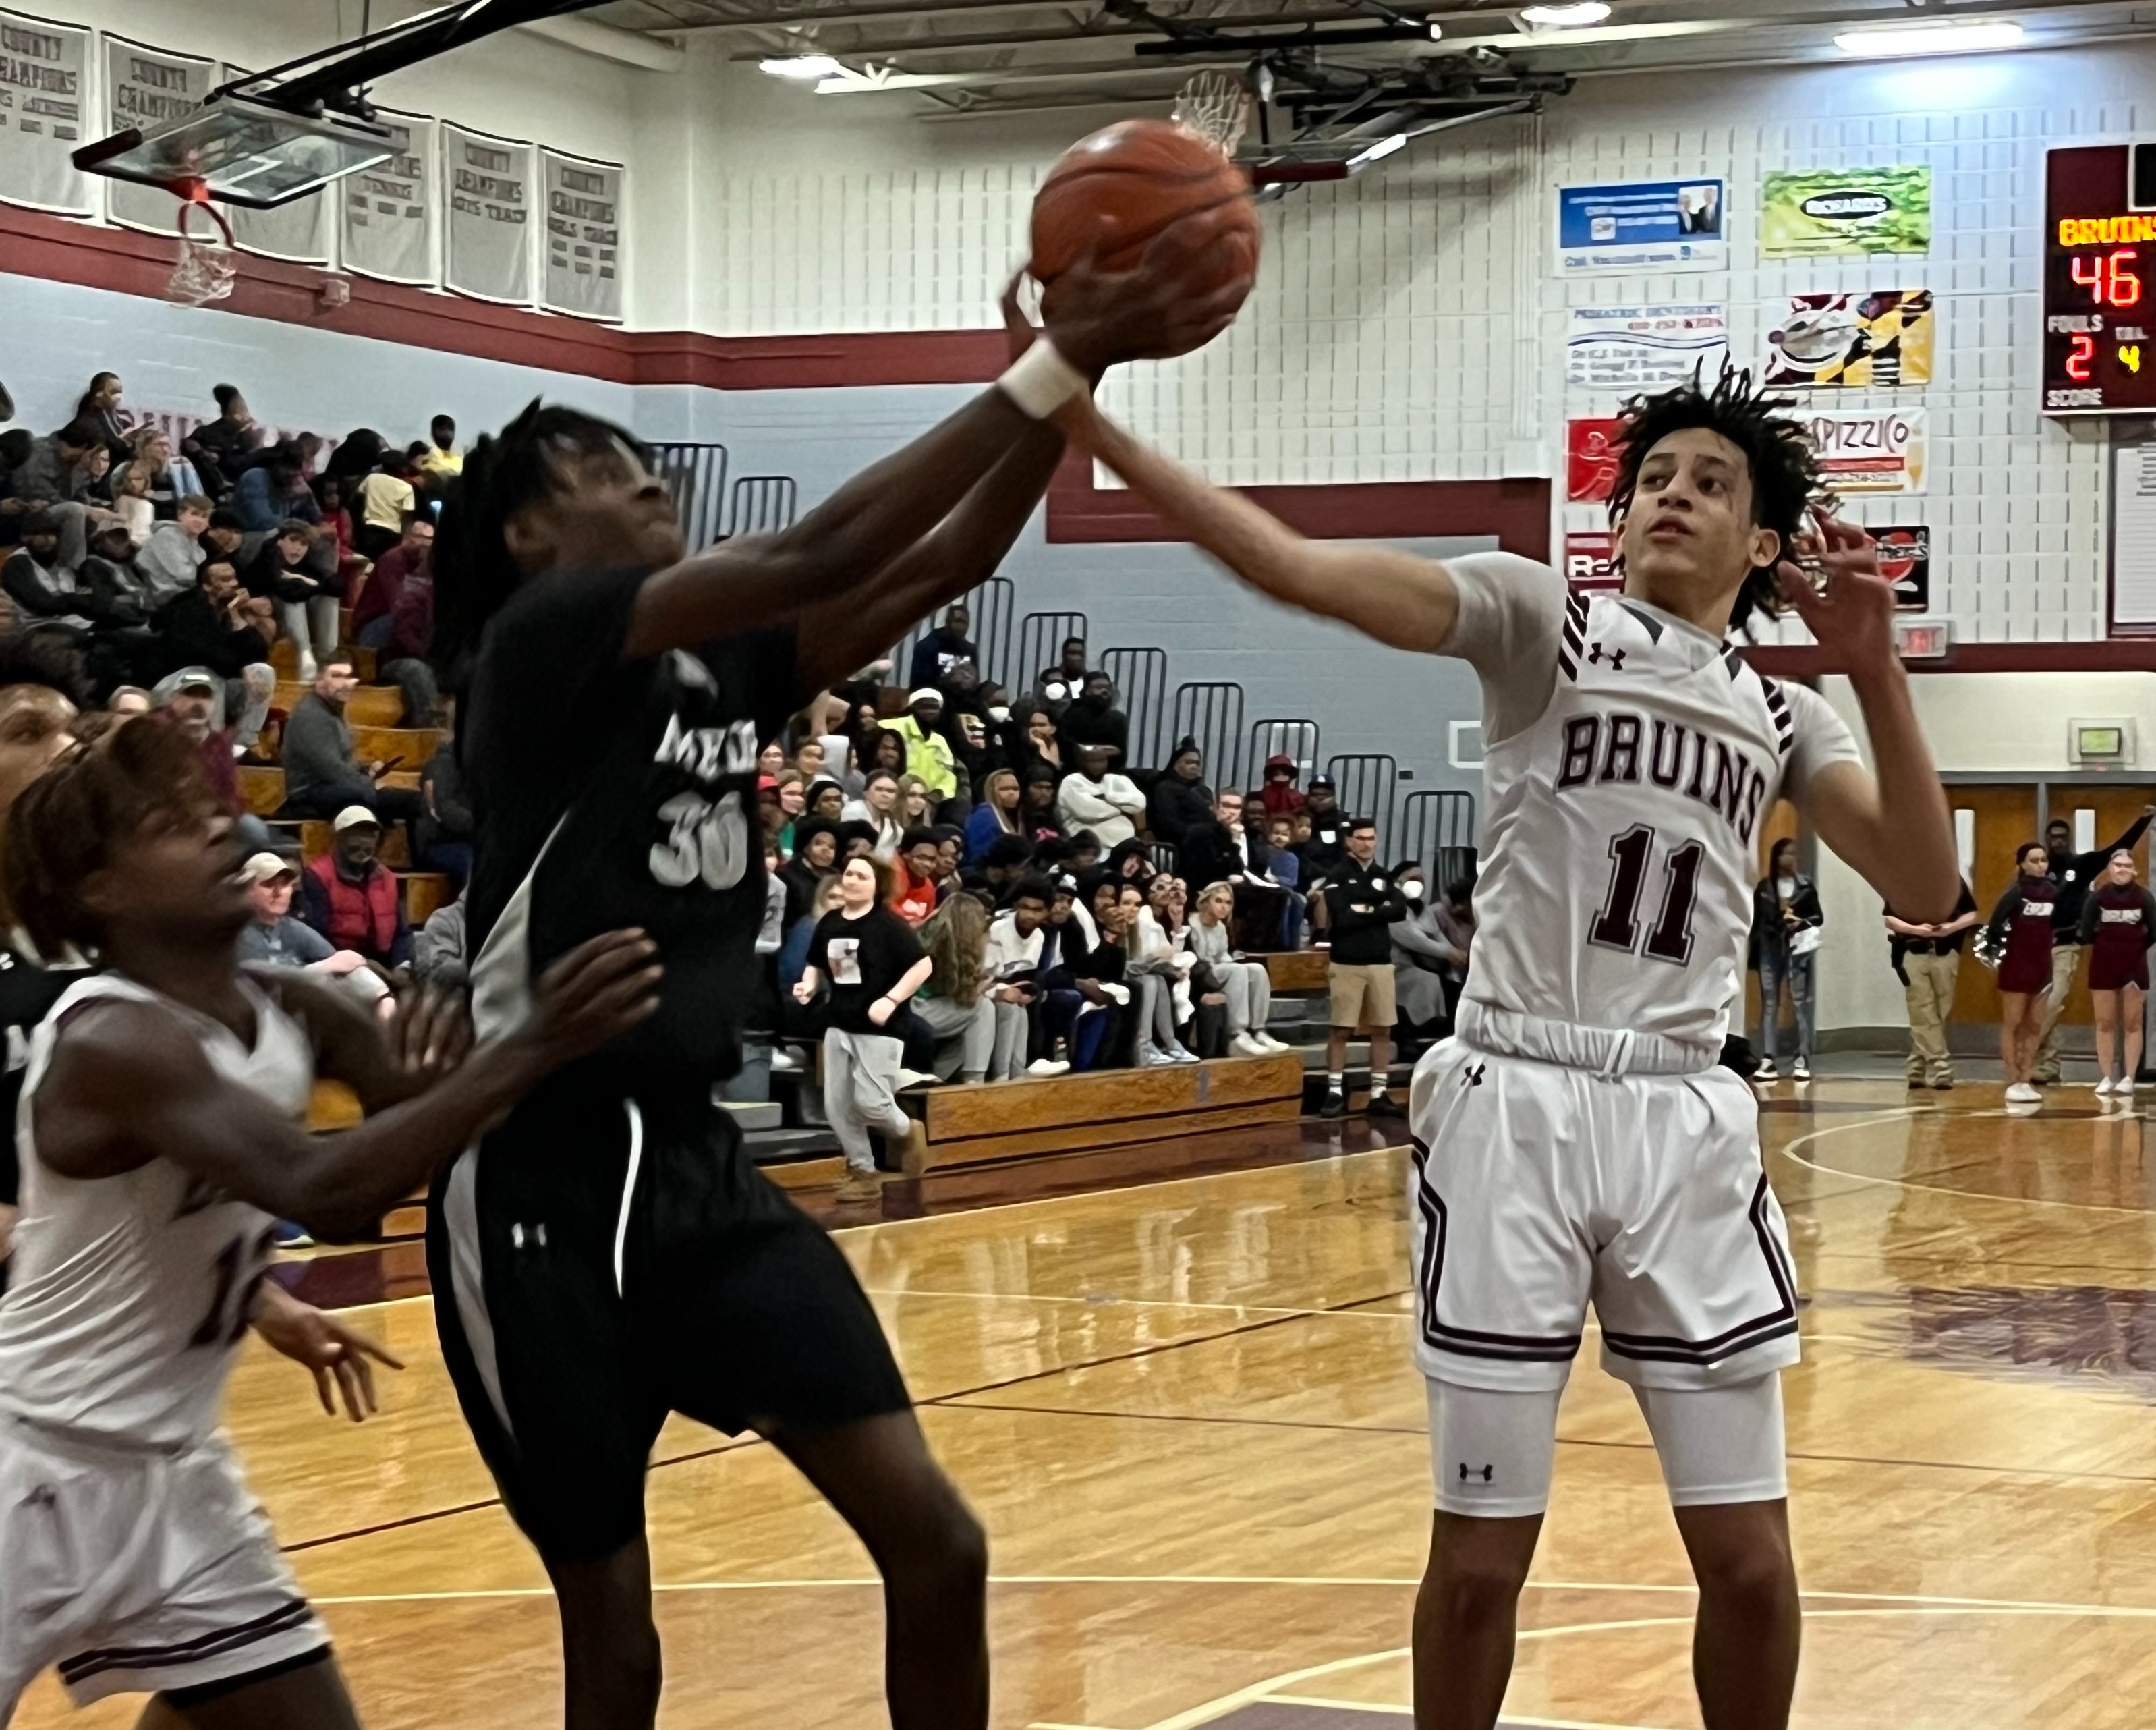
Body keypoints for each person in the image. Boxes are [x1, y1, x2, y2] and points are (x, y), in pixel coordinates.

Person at [1055, 361, 1959, 1730]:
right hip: (1513, 1099)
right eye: (1653, 476)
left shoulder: (1786, 715)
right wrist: (1089, 423)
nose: (1671, 495)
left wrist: (1875, 665)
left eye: (1709, 483)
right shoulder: (1546, 622)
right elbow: (1300, 568)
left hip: (1680, 1116)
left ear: (1763, 540)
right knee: (1479, 1562)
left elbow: (1925, 882)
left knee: (1753, 1565)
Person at [420, 236, 1239, 1730]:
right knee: (614, 1639)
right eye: (610, 466)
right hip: (537, 1175)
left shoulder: (718, 672)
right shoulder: (532, 647)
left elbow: (944, 563)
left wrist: (1081, 381)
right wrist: (1046, 363)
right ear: (535, 532)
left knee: (936, 1542)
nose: (652, 478)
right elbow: (813, 553)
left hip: (699, 1171)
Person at [0, 717, 659, 1728]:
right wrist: (520, 1054)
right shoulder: (114, 1040)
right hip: (29, 1464)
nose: (226, 831)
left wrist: (457, 1076)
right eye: (179, 827)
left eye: (219, 810)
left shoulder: (296, 1008)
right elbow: (326, 1189)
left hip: (174, 1475)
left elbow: (382, 1172)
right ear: (104, 891)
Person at [797, 854, 934, 1200]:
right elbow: (816, 962)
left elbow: (923, 966)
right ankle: (862, 1170)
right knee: (837, 1105)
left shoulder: (889, 926)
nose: (852, 880)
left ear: (877, 886)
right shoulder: (829, 922)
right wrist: (809, 984)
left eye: (862, 875)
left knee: (872, 1103)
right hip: (839, 1022)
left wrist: (890, 1000)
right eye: (849, 873)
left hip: (879, 1028)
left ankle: (907, 1130)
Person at [2031, 806, 2155, 1085]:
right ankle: (2047, 1065)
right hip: (2036, 946)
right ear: (2047, 840)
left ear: (2069, 838)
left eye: (2063, 837)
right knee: (2042, 1003)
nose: (2058, 842)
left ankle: (2024, 1053)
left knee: (2054, 1000)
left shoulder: (2082, 865)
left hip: (2065, 944)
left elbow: (2120, 848)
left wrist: (2144, 819)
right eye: (2053, 837)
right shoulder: (2038, 867)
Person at [1316, 818, 1407, 1117]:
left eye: (1371, 838)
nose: (1367, 843)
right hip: (1347, 962)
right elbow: (1342, 915)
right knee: (1342, 1029)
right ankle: (1334, 1091)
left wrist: (1365, 908)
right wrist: (1377, 909)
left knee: (1383, 1028)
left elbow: (1399, 909)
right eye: (1361, 838)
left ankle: (1379, 1092)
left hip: (1380, 962)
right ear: (1349, 841)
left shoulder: (1384, 875)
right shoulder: (1337, 874)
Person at [279, 652, 427, 836]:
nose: (345, 683)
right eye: (336, 676)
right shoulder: (311, 716)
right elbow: (331, 769)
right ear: (318, 680)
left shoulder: (331, 711)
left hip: (333, 786)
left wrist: (366, 771)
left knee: (405, 799)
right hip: (309, 794)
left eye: (349, 677)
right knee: (403, 800)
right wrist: (368, 786)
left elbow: (342, 764)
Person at [237, 849, 393, 1010]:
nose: (278, 893)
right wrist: (322, 968)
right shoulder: (233, 932)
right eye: (268, 884)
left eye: (285, 884)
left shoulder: (293, 928)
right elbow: (263, 984)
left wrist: (383, 997)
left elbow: (340, 961)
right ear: (247, 890)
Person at [1883, 881, 1979, 1090]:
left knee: (1938, 1011)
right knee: (1921, 1007)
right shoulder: (1899, 880)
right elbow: (1890, 919)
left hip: (1945, 953)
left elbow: (1972, 914)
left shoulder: (1951, 879)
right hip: (1913, 952)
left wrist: (1950, 929)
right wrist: (1917, 930)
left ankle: (1917, 1065)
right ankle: (1941, 1065)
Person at [914, 891, 1017, 1084]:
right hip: (916, 1010)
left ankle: (938, 1078)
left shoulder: (934, 935)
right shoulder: (938, 946)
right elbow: (964, 997)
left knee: (974, 1029)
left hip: (931, 1007)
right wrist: (985, 984)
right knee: (983, 1008)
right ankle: (976, 1080)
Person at [2078, 847, 2156, 1098]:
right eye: (2117, 865)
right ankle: (2105, 1076)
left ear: (2135, 870)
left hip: (2134, 966)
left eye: (2126, 866)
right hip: (2103, 965)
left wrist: (2134, 947)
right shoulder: (2098, 897)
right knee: (2105, 1023)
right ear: (2110, 869)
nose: (2122, 869)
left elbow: (2154, 931)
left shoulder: (2145, 897)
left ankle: (2129, 1078)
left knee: (2133, 1023)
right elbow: (2087, 930)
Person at [1985, 843, 2058, 1107]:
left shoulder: (2052, 893)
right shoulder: (2015, 894)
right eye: (2034, 860)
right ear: (2023, 864)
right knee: (2013, 1024)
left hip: (2043, 968)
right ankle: (2012, 1079)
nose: (2040, 865)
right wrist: (1996, 959)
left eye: (2043, 860)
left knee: (2035, 1025)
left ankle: (2026, 1078)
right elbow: (1993, 928)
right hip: (2017, 966)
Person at [298, 808, 413, 974]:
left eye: (370, 836)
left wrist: (403, 966)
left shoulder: (387, 878)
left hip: (382, 965)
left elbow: (402, 933)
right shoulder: (318, 877)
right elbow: (315, 938)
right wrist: (360, 964)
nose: (363, 843)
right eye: (356, 835)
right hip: (338, 966)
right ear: (338, 838)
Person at [1749, 838, 1822, 1083]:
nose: (1790, 859)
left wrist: (1801, 923)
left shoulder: (1805, 886)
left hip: (1797, 949)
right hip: (1770, 950)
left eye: (1794, 854)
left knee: (1800, 1003)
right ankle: (1769, 1058)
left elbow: (1817, 917)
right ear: (1776, 857)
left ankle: (1803, 1057)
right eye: (1785, 854)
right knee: (1770, 1003)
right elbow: (1756, 924)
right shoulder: (1764, 888)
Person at [1187, 881, 1286, 1057]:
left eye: (1228, 902)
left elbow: (1223, 956)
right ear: (1206, 901)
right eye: (1219, 901)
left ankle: (1259, 1030)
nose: (1224, 907)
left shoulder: (1220, 928)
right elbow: (1197, 961)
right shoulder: (1192, 923)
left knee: (1257, 969)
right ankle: (1237, 1032)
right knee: (1237, 970)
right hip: (1198, 975)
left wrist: (1232, 962)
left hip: (1217, 970)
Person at [1391, 862, 1466, 1051]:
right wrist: (1448, 952)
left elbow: (1436, 933)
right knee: (1426, 980)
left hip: (1420, 962)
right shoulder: (1391, 905)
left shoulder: (1422, 908)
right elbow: (1414, 939)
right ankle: (1408, 1035)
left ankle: (1451, 1033)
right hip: (1396, 965)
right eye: (1411, 879)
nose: (1416, 883)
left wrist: (1458, 955)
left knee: (1454, 983)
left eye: (1419, 879)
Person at [352, 511, 433, 645]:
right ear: (407, 538)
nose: (425, 544)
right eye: (420, 538)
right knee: (409, 618)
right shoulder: (393, 559)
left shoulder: (428, 562)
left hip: (402, 622)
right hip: (371, 627)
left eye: (430, 540)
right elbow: (398, 604)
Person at [1056, 741, 1145, 849]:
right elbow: (1088, 811)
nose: (1097, 766)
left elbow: (1140, 803)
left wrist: (1109, 797)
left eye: (1101, 761)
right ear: (1082, 763)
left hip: (1125, 843)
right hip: (1087, 844)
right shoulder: (1071, 781)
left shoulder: (1118, 779)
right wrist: (1123, 810)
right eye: (1092, 762)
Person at [892, 688, 959, 812]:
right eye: (924, 706)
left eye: (934, 707)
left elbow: (948, 774)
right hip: (895, 796)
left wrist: (939, 793)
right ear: (912, 707)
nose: (930, 711)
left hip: (929, 802)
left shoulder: (940, 741)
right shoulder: (893, 726)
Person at [1147, 735, 1214, 847]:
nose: (1194, 767)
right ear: (1176, 765)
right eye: (1189, 763)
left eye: (1197, 763)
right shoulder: (1165, 789)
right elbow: (1169, 825)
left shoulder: (1204, 791)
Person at [1058, 669, 1128, 760]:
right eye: (1098, 687)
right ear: (1087, 690)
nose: (1104, 691)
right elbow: (1067, 747)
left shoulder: (1117, 718)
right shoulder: (1072, 715)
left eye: (1107, 687)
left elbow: (1119, 752)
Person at [908, 603, 977, 689]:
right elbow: (919, 684)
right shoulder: (927, 646)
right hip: (936, 696)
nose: (961, 627)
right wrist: (950, 679)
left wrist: (972, 681)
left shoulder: (970, 650)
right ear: (948, 623)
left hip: (963, 698)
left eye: (964, 623)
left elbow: (975, 684)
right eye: (958, 621)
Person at [889, 824, 944, 927]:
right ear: (904, 854)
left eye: (932, 859)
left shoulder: (928, 887)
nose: (927, 864)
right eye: (921, 857)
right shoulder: (890, 875)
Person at [964, 765, 1023, 857]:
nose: (1011, 793)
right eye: (1004, 789)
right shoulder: (983, 816)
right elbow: (980, 855)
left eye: (1015, 789)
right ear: (991, 791)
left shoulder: (1014, 816)